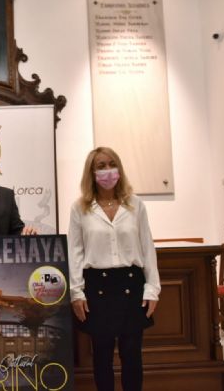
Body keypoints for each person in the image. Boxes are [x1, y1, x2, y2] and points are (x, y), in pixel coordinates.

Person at [69, 147, 160, 391]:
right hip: (97, 287)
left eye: (112, 164)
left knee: (132, 356)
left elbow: (147, 247)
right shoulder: (80, 208)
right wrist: (76, 293)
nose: (107, 170)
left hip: (131, 283)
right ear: (91, 172)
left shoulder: (135, 204)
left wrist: (152, 289)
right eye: (101, 166)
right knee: (102, 357)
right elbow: (75, 252)